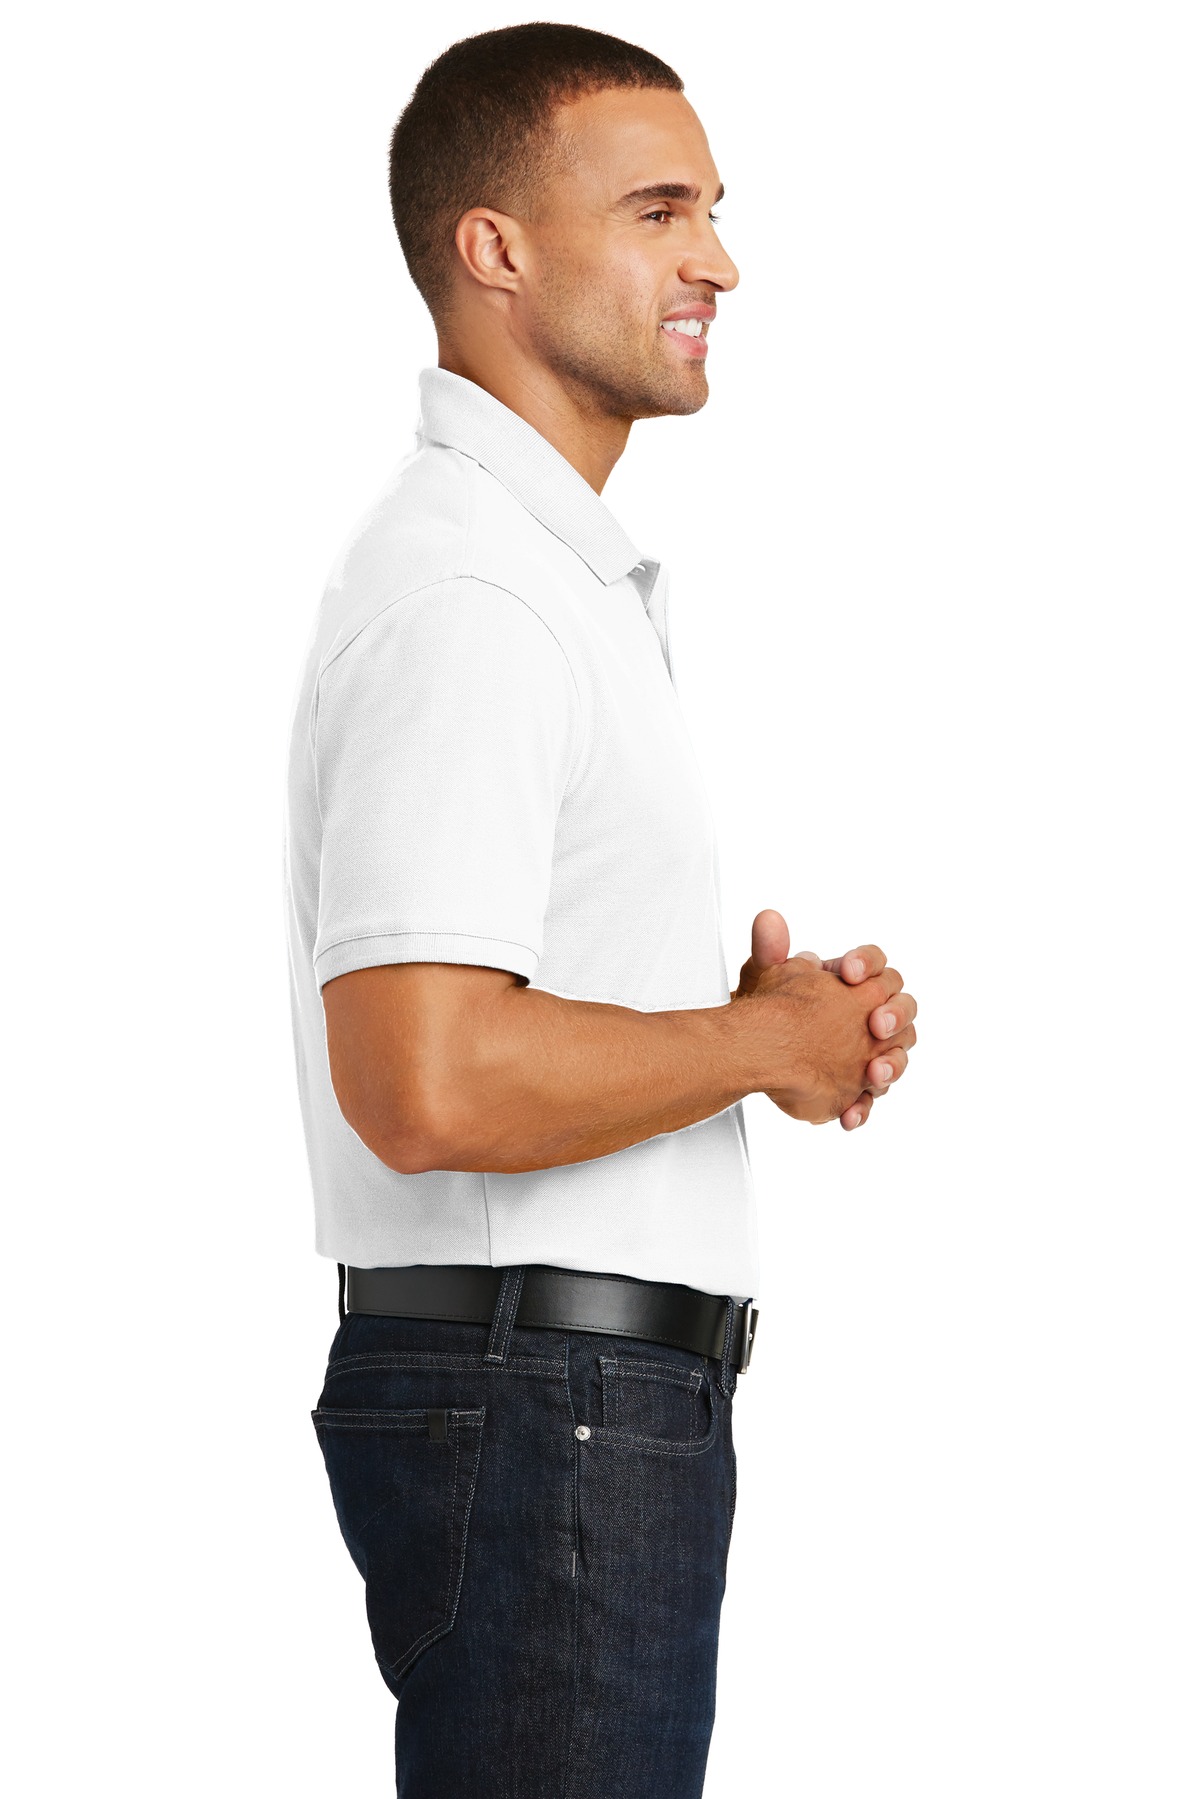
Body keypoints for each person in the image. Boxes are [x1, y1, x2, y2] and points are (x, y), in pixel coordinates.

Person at [282, 22, 918, 1797]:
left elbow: (481, 1037)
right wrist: (756, 1041)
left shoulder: (541, 574)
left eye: (711, 210)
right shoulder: (476, 591)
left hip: (563, 1397)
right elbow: (425, 1082)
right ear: (494, 248)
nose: (718, 260)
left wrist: (762, 1038)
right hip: (546, 1401)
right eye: (658, 211)